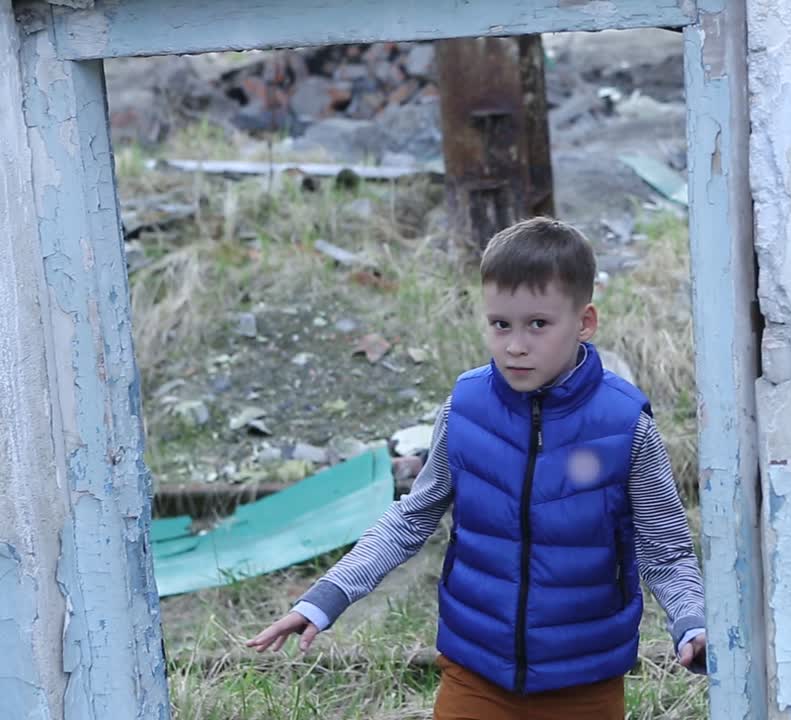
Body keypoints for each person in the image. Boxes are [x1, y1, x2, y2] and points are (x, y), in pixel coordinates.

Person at [248, 217, 707, 719]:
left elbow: (666, 551)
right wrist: (324, 599)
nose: (515, 345)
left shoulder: (624, 424)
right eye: (500, 324)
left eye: (538, 324)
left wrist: (691, 623)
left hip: (584, 680)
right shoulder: (465, 409)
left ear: (585, 322)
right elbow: (410, 519)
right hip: (476, 672)